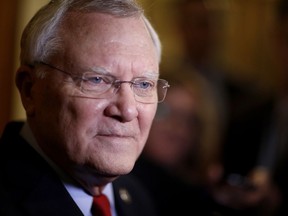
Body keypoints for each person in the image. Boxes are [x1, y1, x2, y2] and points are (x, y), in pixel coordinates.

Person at [0, 0, 170, 215]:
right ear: (30, 90)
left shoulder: (137, 198)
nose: (127, 110)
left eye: (143, 84)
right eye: (97, 80)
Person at [131, 71, 225, 216]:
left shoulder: (201, 196)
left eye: (187, 119)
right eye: (164, 111)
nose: (175, 126)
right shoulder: (117, 181)